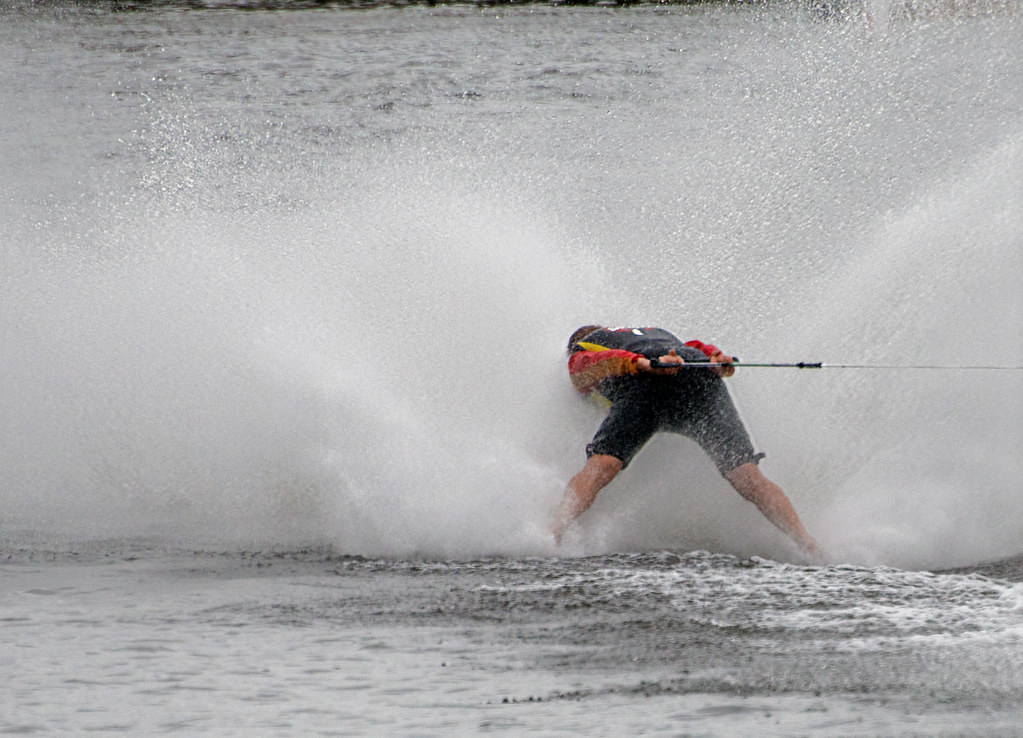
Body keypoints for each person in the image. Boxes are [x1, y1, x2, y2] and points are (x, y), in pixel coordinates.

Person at [551, 325, 820, 556]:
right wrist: (717, 359)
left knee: (602, 465)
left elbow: (586, 367)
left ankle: (553, 534)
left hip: (647, 381)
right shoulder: (655, 334)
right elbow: (699, 350)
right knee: (746, 475)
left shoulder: (587, 346)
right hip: (697, 377)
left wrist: (639, 364)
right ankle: (807, 544)